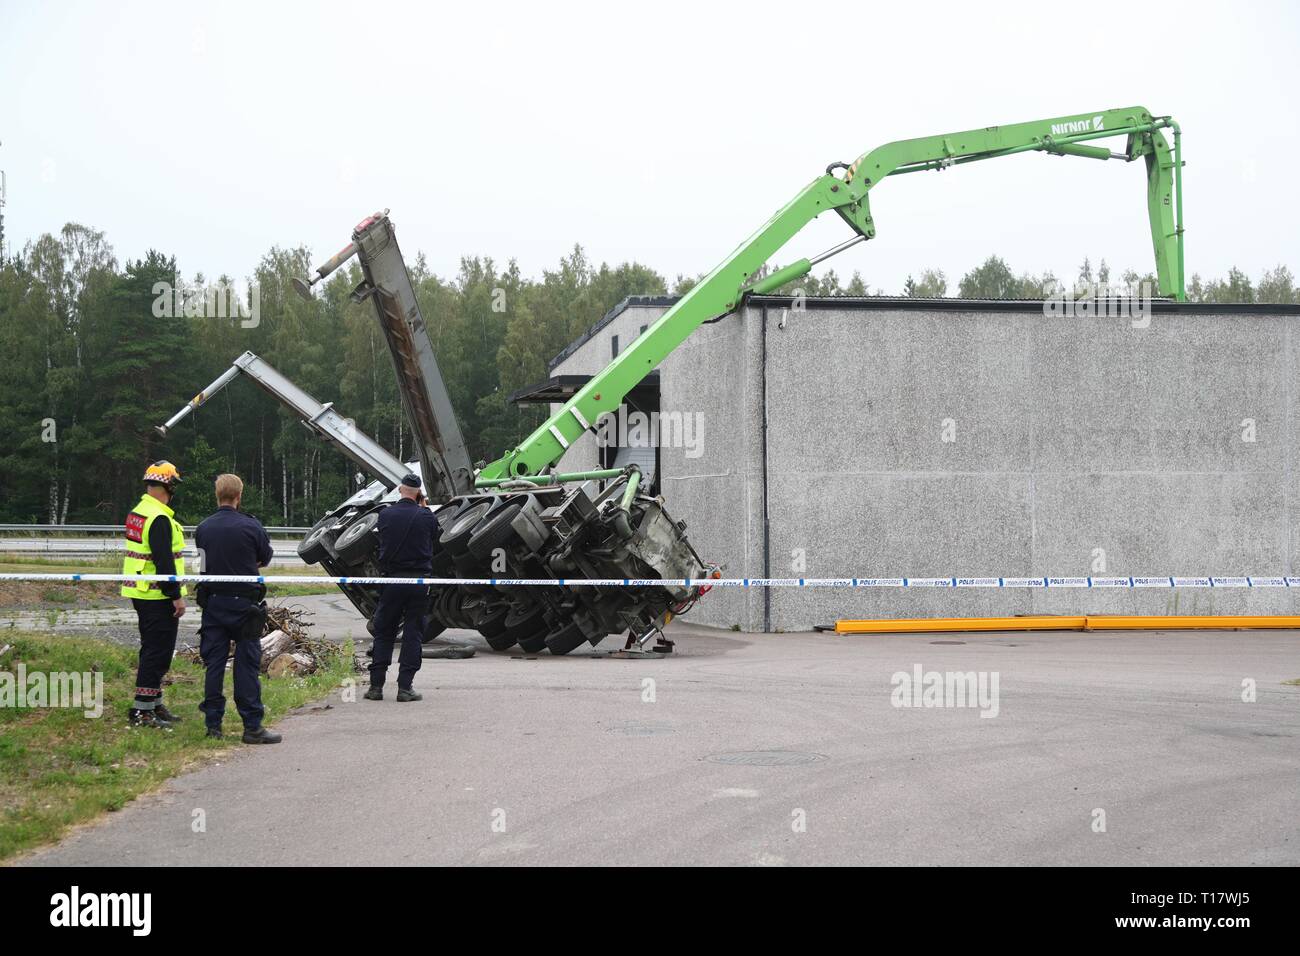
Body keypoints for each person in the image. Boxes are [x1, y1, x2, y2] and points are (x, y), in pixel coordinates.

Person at [194, 473, 281, 744]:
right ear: (239, 496)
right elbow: (263, 559)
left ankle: (213, 725)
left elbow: (203, 564)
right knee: (246, 666)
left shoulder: (203, 528)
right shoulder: (251, 527)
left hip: (215, 604)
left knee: (214, 665)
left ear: (217, 495)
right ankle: (252, 726)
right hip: (244, 606)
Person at [121, 460, 188, 728]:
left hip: (141, 592)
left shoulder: (139, 511)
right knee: (157, 653)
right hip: (158, 595)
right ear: (168, 485)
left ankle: (154, 703)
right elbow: (164, 563)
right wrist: (176, 596)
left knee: (153, 650)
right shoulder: (159, 518)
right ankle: (142, 711)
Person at [365, 473, 439, 702]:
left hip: (392, 580)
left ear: (400, 490)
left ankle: (376, 687)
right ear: (418, 493)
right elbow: (435, 538)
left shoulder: (385, 514)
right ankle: (405, 688)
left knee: (384, 631)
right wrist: (424, 508)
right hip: (418, 582)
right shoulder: (426, 516)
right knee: (413, 633)